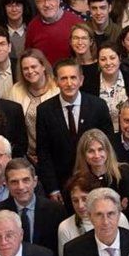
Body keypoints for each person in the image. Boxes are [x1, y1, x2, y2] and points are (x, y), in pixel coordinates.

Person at [36, 59, 115, 195]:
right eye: (64, 78)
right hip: (62, 185)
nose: (69, 83)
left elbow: (109, 144)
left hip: (96, 182)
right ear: (56, 81)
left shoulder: (98, 106)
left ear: (81, 80)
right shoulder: (44, 110)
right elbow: (44, 153)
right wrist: (52, 189)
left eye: (73, 78)